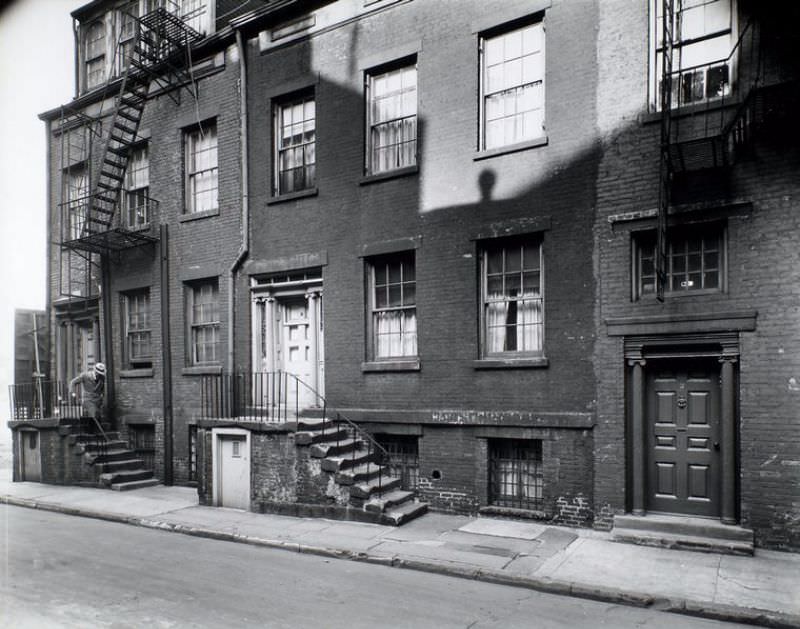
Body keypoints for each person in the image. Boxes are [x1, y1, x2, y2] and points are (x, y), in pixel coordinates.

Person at [69, 362, 106, 432]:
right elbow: (73, 382)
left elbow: (102, 388)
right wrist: (72, 392)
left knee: (96, 416)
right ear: (95, 371)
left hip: (97, 401)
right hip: (88, 399)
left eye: (101, 374)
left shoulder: (102, 378)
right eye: (98, 373)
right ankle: (93, 431)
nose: (99, 375)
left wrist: (102, 396)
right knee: (93, 413)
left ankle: (91, 432)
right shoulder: (85, 376)